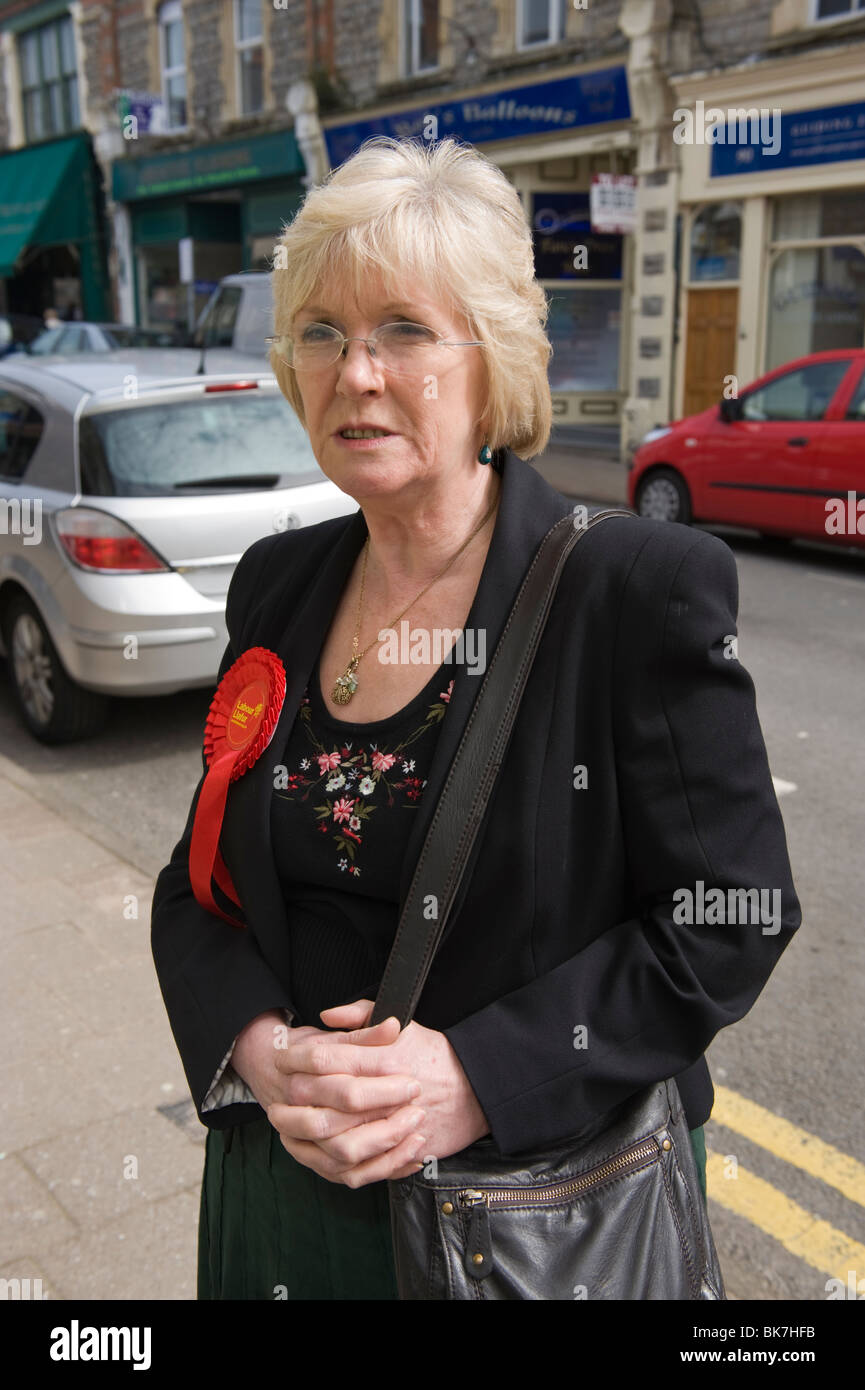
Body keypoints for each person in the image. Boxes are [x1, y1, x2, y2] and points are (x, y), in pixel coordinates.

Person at [150, 135, 801, 1301]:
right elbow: (196, 890)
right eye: (321, 333)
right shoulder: (277, 583)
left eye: (403, 330)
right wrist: (254, 1045)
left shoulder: (634, 587)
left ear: (489, 354)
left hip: (534, 1224)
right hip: (281, 1216)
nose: (355, 372)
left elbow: (727, 918)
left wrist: (476, 1075)